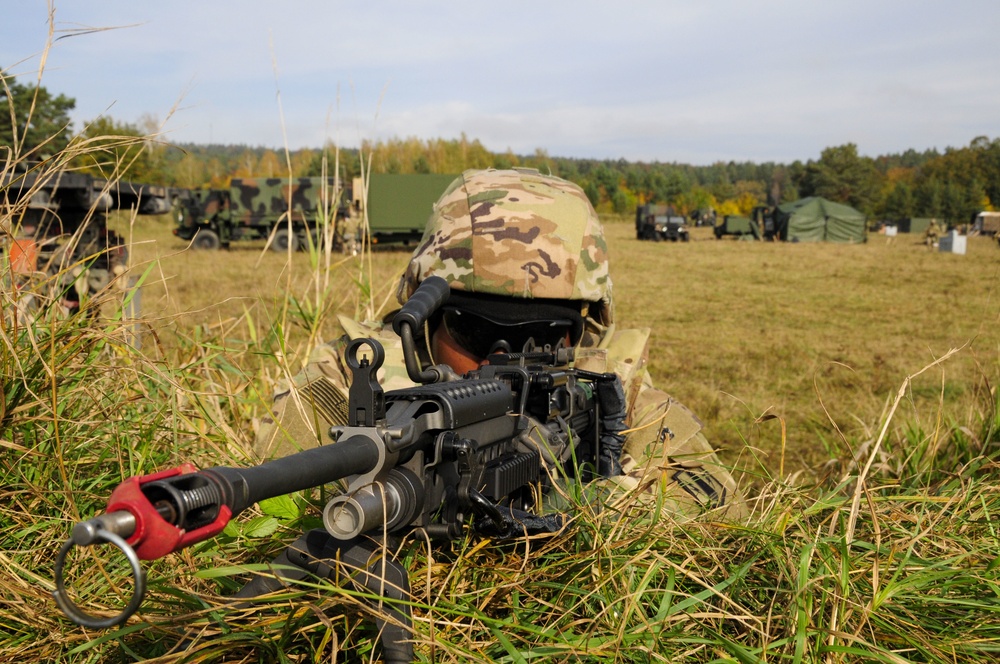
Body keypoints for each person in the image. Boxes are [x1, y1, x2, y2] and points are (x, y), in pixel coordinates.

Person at [255, 167, 743, 521]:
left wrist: (601, 513)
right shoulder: (349, 382)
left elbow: (722, 509)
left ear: (585, 330)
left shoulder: (615, 394)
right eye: (476, 330)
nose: (503, 359)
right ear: (424, 321)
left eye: (547, 337)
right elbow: (269, 500)